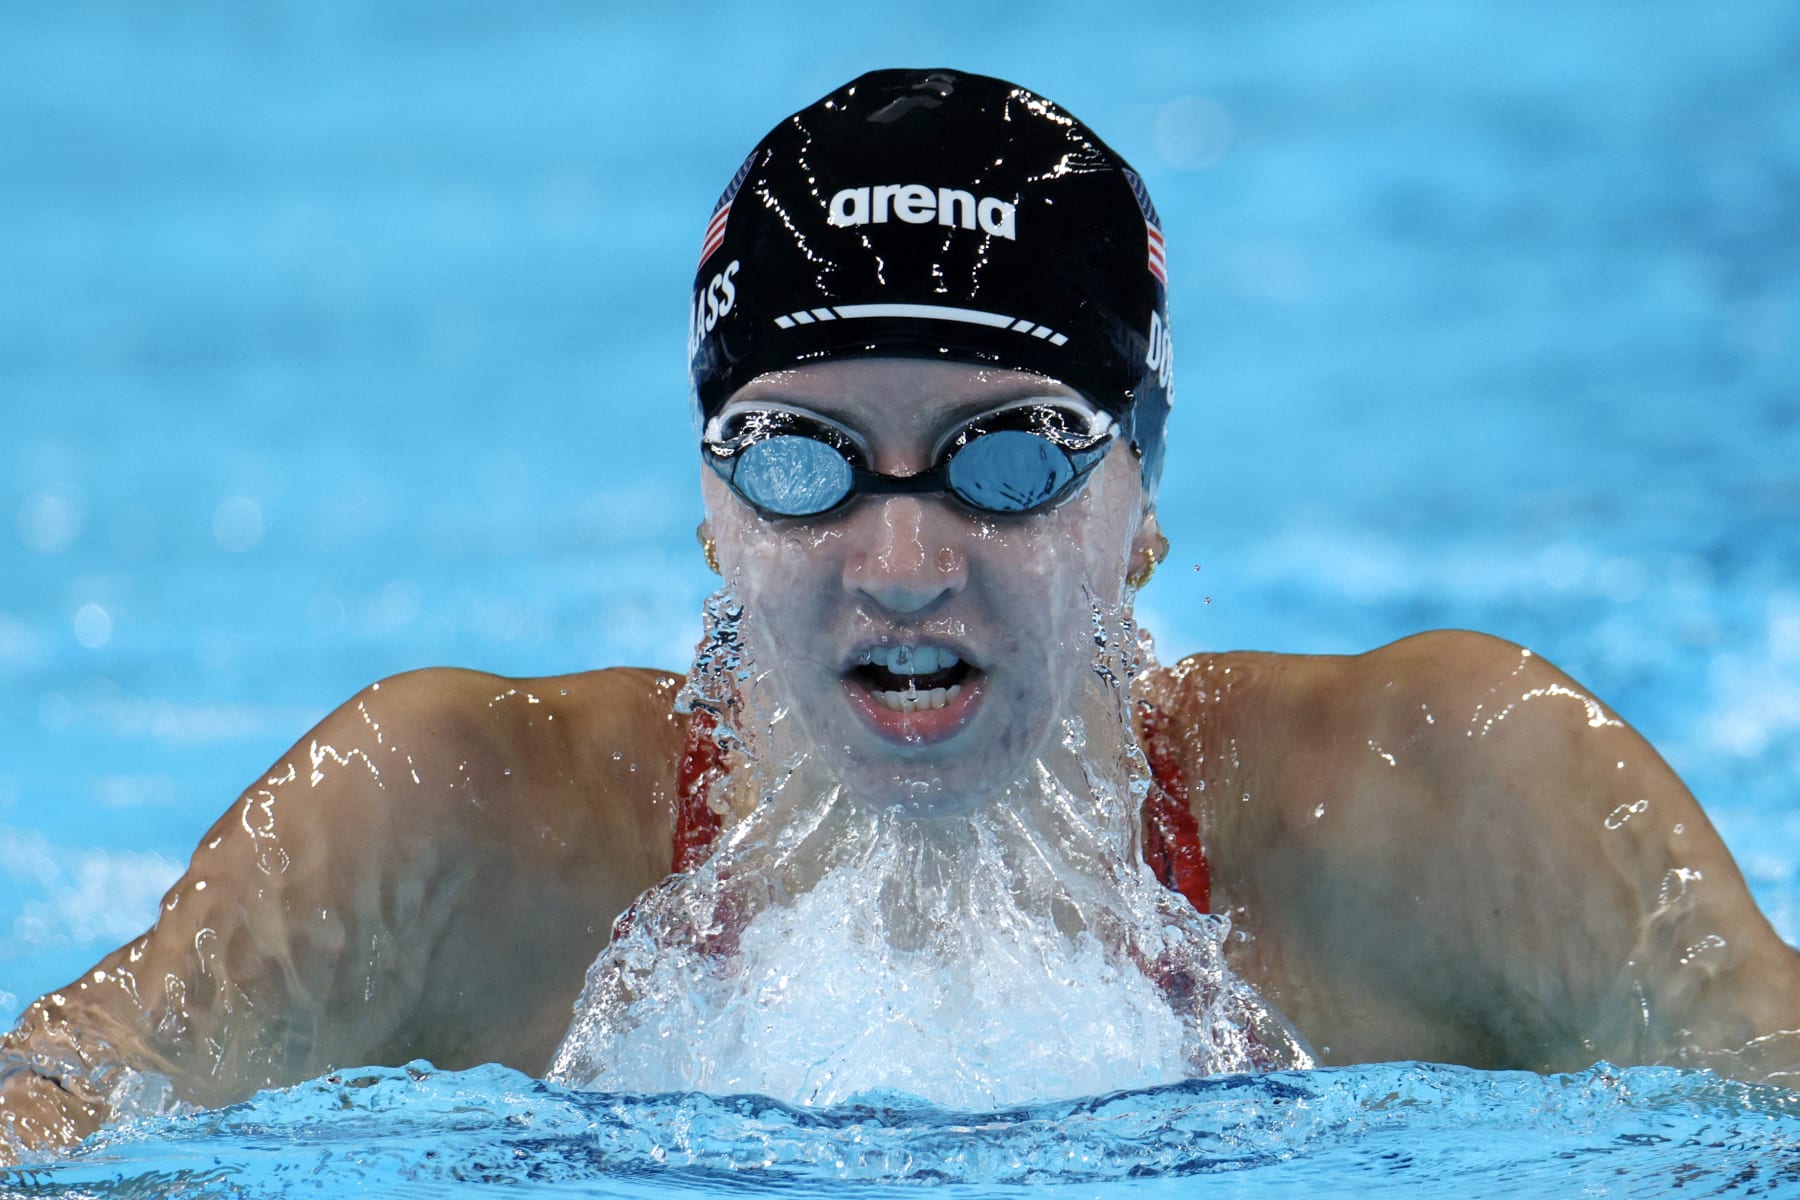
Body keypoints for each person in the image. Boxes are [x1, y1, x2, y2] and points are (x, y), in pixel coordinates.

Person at [4, 66, 1798, 1159]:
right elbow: (64, 1104)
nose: (903, 557)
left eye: (1006, 458)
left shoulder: (1451, 798)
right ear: (713, 504)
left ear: (1143, 495)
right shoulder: (444, 824)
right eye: (804, 461)